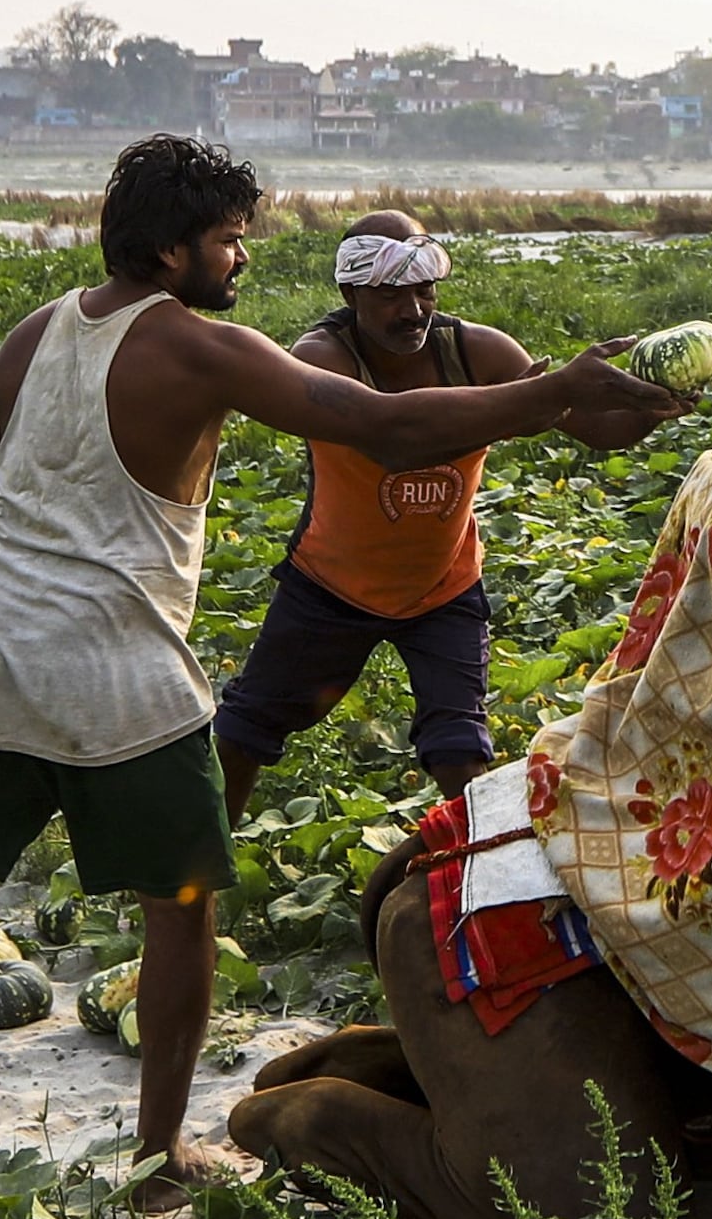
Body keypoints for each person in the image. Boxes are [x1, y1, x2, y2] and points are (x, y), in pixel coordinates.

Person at [0, 137, 684, 1200]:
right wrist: (552, 390)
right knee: (182, 904)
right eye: (229, 240)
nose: (241, 260)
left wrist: (32, 582)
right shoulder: (202, 349)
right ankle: (159, 1159)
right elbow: (380, 430)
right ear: (170, 247)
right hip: (116, 681)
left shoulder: (33, 333)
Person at [209, 211, 656, 823]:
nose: (413, 310)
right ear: (351, 294)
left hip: (442, 588)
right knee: (244, 733)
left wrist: (656, 402)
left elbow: (599, 430)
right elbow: (398, 441)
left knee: (461, 756)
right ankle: (199, 875)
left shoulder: (478, 351)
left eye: (424, 290)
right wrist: (528, 402)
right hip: (331, 586)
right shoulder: (319, 359)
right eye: (391, 295)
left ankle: (475, 890)